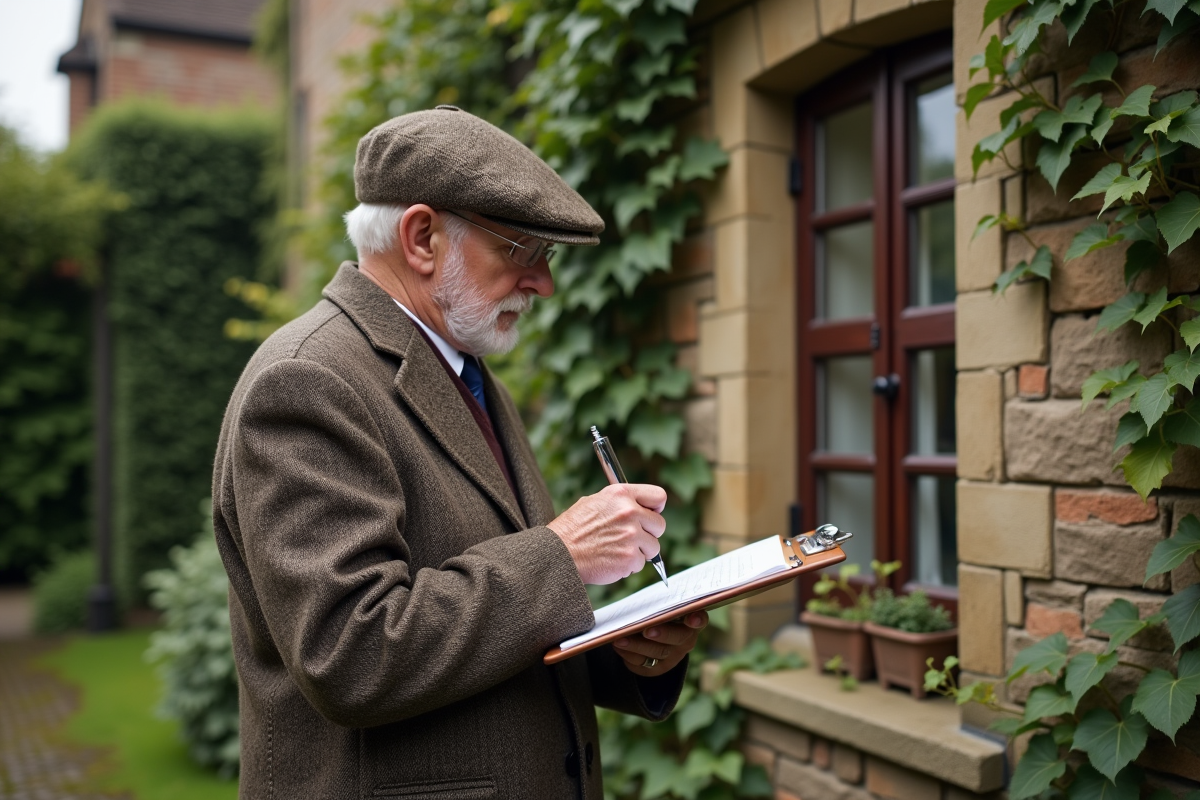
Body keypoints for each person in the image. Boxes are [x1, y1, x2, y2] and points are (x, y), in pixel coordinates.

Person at [211, 105, 706, 799]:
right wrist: (562, 556)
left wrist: (633, 655)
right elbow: (350, 652)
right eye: (522, 250)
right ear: (422, 238)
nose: (544, 283)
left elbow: (505, 634)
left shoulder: (469, 374)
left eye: (546, 256)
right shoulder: (307, 379)